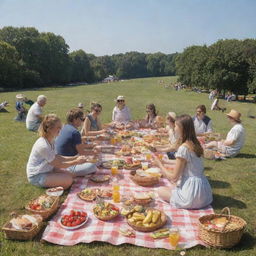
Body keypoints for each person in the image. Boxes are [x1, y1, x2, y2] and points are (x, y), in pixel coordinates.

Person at [153, 114, 213, 209]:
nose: (174, 127)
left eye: (176, 125)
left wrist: (159, 165)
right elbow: (183, 163)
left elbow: (173, 178)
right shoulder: (194, 143)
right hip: (204, 193)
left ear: (182, 128)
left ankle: (183, 197)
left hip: (192, 196)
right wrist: (165, 161)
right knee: (173, 186)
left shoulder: (183, 148)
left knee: (160, 190)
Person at [27, 114, 96, 189]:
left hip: (48, 169)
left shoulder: (51, 140)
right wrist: (76, 161)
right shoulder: (43, 145)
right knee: (68, 180)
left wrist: (75, 158)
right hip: (37, 176)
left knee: (71, 175)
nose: (61, 130)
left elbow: (57, 157)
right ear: (49, 129)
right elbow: (59, 164)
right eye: (58, 127)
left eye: (61, 127)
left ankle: (57, 179)